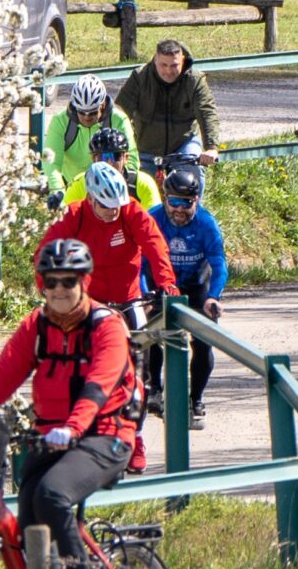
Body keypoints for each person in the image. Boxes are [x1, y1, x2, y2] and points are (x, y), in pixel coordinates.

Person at [0, 237, 143, 569]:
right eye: (51, 282)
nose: (60, 290)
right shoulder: (38, 325)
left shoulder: (107, 327)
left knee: (52, 494)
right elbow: (2, 376)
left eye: (69, 281)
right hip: (53, 437)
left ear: (85, 282)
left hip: (106, 436)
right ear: (41, 284)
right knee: (29, 520)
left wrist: (75, 426)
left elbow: (100, 384)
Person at [38, 163, 178, 331]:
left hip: (128, 297)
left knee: (143, 343)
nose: (113, 211)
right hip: (87, 299)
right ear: (90, 199)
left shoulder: (132, 211)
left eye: (117, 204)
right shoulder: (73, 215)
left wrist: (166, 283)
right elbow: (45, 253)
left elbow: (156, 247)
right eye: (105, 205)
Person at [146, 161, 226, 430]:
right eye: (174, 201)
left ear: (197, 200)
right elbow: (140, 262)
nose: (179, 209)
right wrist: (145, 294)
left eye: (186, 202)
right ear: (165, 198)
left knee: (204, 341)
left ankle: (196, 399)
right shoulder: (153, 218)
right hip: (160, 286)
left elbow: (219, 265)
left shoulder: (206, 224)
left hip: (195, 286)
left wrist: (213, 297)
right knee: (149, 333)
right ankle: (154, 387)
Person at [119, 38, 221, 174]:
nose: (168, 71)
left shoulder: (194, 80)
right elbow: (119, 113)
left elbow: (207, 112)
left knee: (193, 174)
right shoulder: (140, 77)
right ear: (155, 59)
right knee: (136, 187)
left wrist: (211, 147)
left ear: (183, 60)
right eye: (163, 65)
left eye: (174, 65)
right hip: (146, 149)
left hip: (183, 145)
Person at [41, 77, 137, 203]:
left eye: (92, 112)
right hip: (74, 189)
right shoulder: (60, 121)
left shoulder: (119, 120)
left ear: (102, 105)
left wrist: (121, 190)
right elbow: (51, 163)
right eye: (81, 112)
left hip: (110, 189)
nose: (86, 117)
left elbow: (131, 159)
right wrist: (58, 192)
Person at [64, 123, 162, 212]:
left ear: (126, 158)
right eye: (103, 157)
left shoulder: (142, 183)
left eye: (116, 156)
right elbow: (66, 220)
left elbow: (154, 220)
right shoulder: (79, 184)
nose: (109, 162)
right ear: (93, 159)